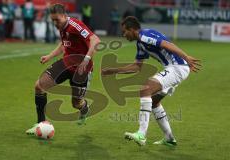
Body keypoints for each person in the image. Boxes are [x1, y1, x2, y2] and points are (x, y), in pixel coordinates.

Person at [102, 16, 201, 146]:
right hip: (175, 68)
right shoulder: (140, 43)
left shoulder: (144, 36)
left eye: (124, 31)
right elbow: (137, 66)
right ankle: (169, 138)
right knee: (154, 102)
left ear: (132, 29)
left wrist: (186, 57)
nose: (123, 34)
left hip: (177, 67)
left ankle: (141, 134)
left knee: (145, 89)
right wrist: (113, 71)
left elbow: (167, 45)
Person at [26, 4, 100, 134]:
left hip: (81, 70)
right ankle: (40, 124)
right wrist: (49, 56)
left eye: (57, 20)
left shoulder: (75, 26)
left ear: (65, 16)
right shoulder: (62, 26)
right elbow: (63, 44)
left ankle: (84, 108)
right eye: (53, 20)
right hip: (66, 64)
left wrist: (87, 58)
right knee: (39, 86)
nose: (55, 23)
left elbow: (95, 39)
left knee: (76, 103)